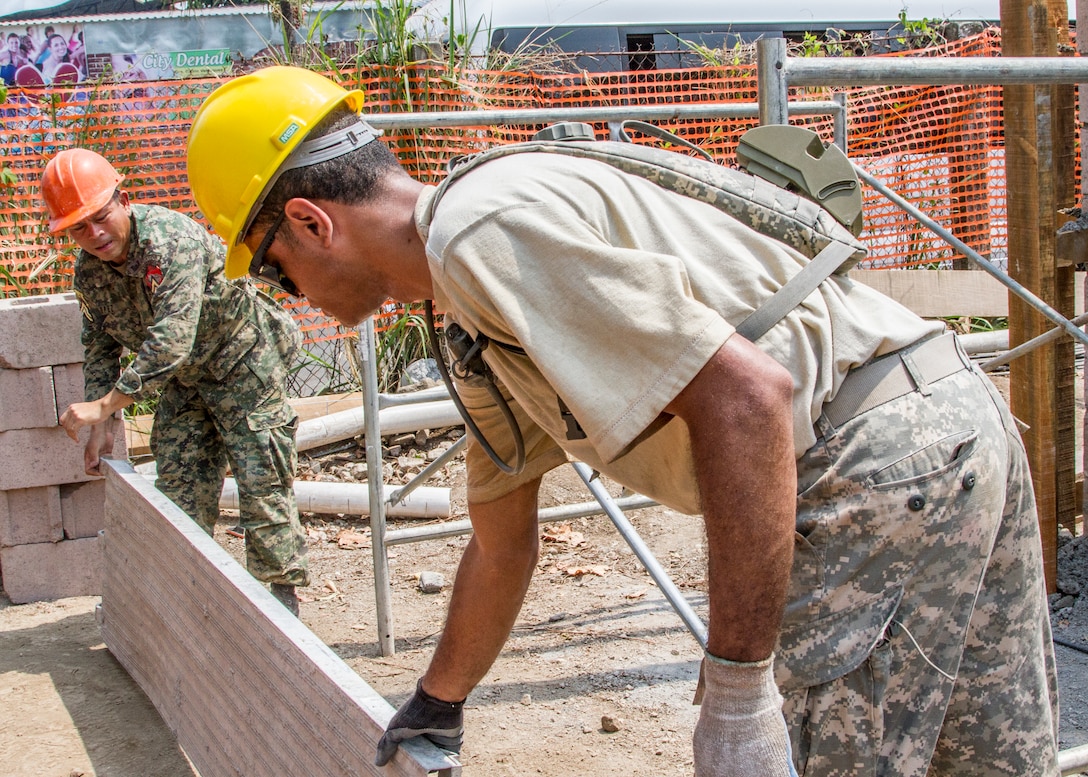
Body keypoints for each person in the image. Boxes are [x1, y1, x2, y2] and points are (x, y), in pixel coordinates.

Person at [185, 66, 1059, 776]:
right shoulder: (470, 308)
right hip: (949, 421)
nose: (287, 297)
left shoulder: (479, 232)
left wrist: (737, 693)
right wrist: (438, 703)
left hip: (876, 465)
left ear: (310, 220)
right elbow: (502, 544)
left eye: (274, 271)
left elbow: (748, 398)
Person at [43, 147, 311, 616]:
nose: (95, 234)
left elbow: (171, 340)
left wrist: (107, 405)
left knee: (262, 487)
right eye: (79, 228)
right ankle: (188, 608)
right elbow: (100, 343)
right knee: (180, 493)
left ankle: (279, 607)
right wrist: (103, 422)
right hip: (184, 384)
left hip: (243, 366)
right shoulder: (90, 273)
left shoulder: (170, 242)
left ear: (122, 200)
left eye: (101, 217)